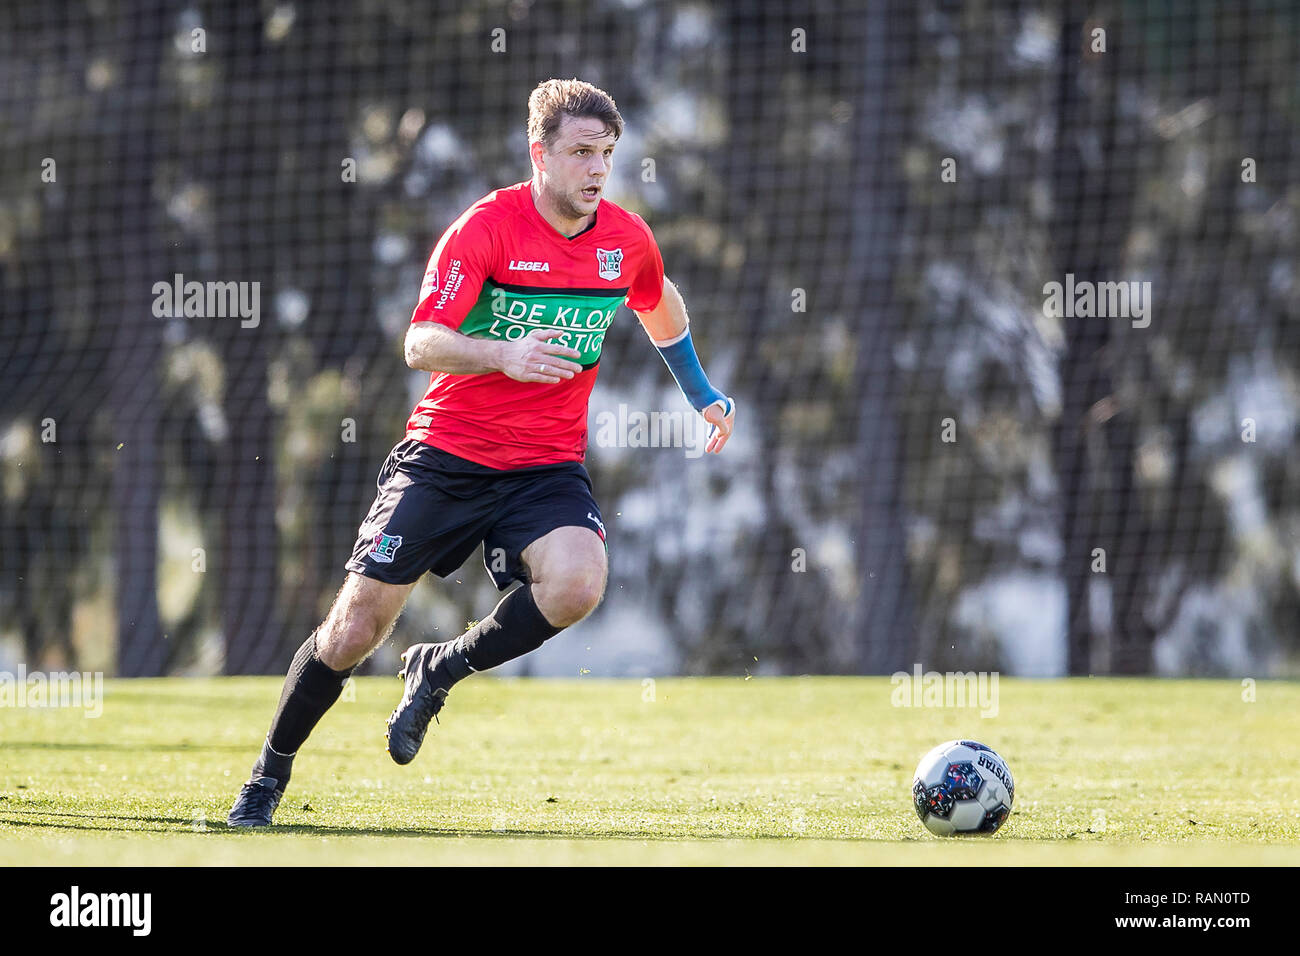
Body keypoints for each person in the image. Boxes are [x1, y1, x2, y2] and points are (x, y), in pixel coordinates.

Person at [227, 78, 735, 827]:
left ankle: (442, 668)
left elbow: (657, 299)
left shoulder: (625, 239)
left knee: (578, 583)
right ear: (540, 154)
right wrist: (503, 353)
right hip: (446, 456)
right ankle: (267, 777)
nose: (598, 170)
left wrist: (699, 391)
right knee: (354, 630)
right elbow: (419, 341)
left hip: (544, 465)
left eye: (607, 154)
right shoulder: (486, 229)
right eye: (581, 153)